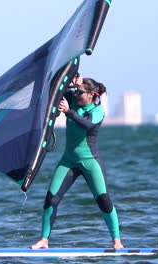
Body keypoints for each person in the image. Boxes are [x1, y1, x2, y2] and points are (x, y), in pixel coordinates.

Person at [30, 76, 124, 250]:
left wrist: (69, 112)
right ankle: (44, 240)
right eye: (77, 91)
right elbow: (57, 84)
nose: (77, 94)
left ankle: (117, 241)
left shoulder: (97, 111)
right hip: (68, 161)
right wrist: (73, 79)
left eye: (81, 92)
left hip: (90, 163)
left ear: (92, 94)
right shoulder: (72, 99)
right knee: (50, 200)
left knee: (104, 200)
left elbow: (87, 125)